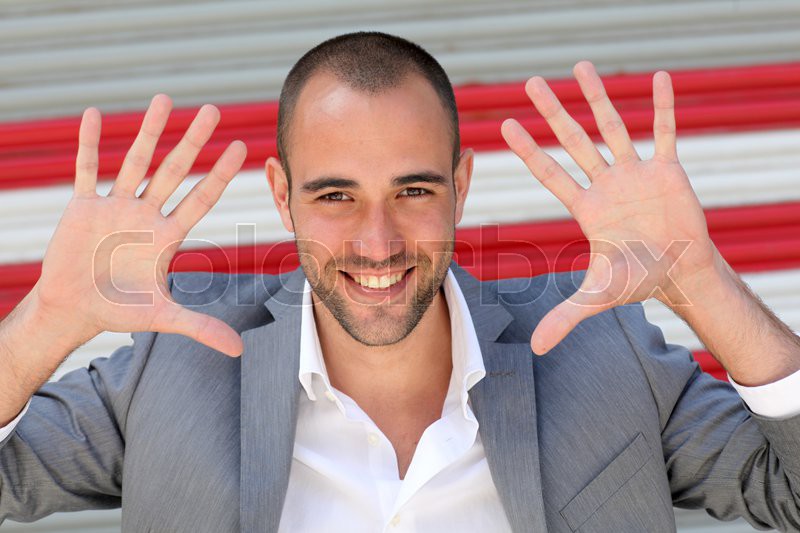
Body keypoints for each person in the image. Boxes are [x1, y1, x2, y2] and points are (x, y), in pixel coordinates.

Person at [0, 31, 799, 533]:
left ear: (461, 185)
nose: (377, 242)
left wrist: (704, 283)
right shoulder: (174, 370)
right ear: (281, 195)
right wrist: (45, 321)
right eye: (335, 196)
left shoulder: (603, 351)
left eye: (413, 190)